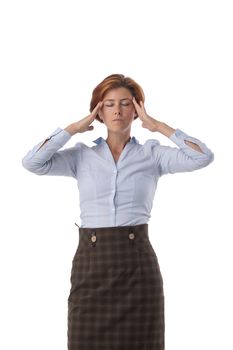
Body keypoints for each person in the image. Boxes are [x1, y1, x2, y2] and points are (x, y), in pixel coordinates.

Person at [22, 73, 214, 350]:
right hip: (92, 265)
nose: (117, 111)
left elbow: (202, 157)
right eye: (109, 104)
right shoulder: (80, 156)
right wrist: (72, 129)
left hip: (137, 266)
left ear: (136, 109)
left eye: (125, 103)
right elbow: (32, 163)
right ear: (98, 110)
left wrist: (158, 126)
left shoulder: (152, 154)